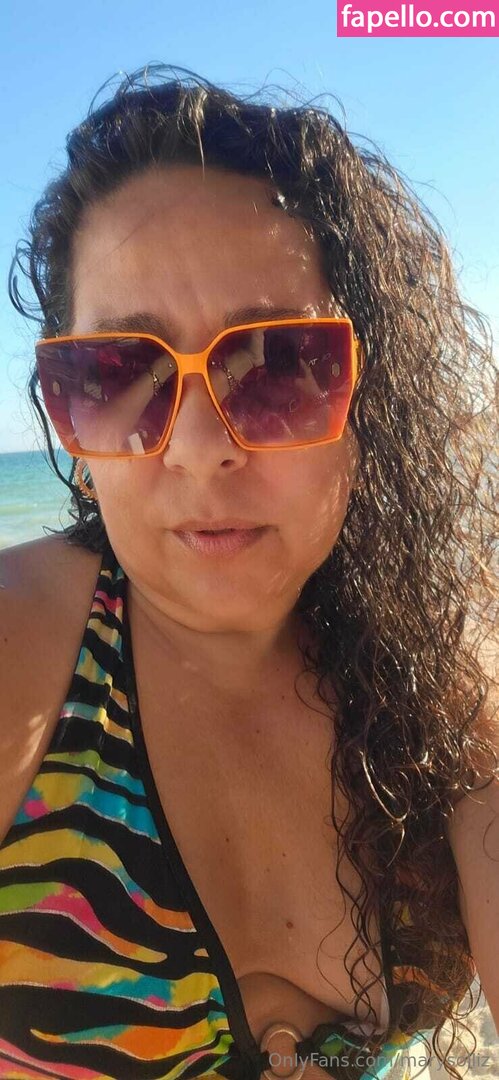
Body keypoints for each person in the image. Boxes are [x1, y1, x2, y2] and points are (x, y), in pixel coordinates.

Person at [0, 64, 497, 1080]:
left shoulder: (442, 695)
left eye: (275, 362)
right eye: (116, 372)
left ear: (368, 399)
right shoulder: (22, 651)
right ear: (69, 424)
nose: (197, 449)